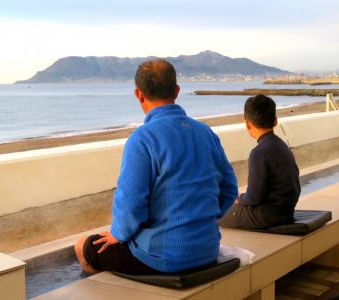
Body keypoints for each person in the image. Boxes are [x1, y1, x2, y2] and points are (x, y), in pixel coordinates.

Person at [74, 59, 238, 275]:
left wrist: (118, 233)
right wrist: (200, 219)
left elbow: (131, 203)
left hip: (162, 258)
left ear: (138, 95)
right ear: (177, 91)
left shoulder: (142, 139)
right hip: (207, 249)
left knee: (83, 247)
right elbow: (229, 190)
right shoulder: (205, 133)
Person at [219, 94, 300, 229]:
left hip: (268, 217)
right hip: (287, 212)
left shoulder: (259, 152)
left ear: (247, 124)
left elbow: (254, 197)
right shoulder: (281, 145)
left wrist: (240, 198)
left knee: (217, 214)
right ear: (275, 121)